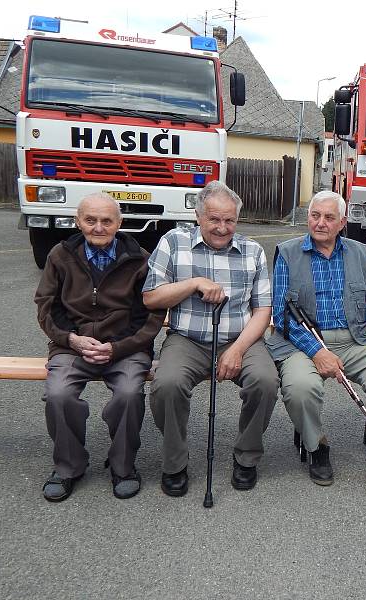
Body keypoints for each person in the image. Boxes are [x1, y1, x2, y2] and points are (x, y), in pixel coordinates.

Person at [267, 191, 366, 505]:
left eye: (329, 217)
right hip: (302, 343)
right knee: (300, 387)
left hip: (354, 338)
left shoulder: (358, 253)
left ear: (342, 222)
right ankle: (317, 445)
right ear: (308, 217)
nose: (321, 222)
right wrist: (317, 352)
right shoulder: (288, 253)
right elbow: (282, 316)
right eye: (315, 215)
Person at [143, 181, 278, 497]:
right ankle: (175, 461)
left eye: (229, 220)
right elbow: (150, 297)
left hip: (238, 338)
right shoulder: (173, 243)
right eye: (214, 219)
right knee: (167, 385)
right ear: (198, 215)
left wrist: (238, 350)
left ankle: (246, 457)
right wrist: (194, 284)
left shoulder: (252, 251)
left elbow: (263, 310)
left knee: (266, 380)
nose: (222, 228)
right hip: (187, 340)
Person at [35, 193, 165, 502]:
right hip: (72, 345)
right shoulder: (59, 256)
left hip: (125, 348)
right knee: (58, 394)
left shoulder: (140, 260)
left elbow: (150, 315)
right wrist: (72, 339)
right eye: (90, 220)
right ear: (78, 221)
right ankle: (68, 467)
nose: (98, 227)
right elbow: (46, 307)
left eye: (107, 221)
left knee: (129, 394)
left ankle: (122, 466)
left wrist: (117, 347)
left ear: (120, 223)